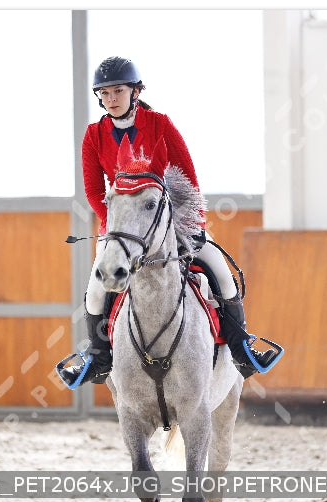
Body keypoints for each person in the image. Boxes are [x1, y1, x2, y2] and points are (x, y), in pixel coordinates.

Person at [57, 56, 278, 388]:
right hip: (121, 231)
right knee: (93, 294)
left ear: (135, 91)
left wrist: (188, 228)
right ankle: (99, 357)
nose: (111, 99)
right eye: (104, 93)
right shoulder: (93, 135)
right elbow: (92, 191)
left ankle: (241, 346)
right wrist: (116, 229)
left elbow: (187, 178)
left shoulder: (160, 124)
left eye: (118, 91)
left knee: (221, 272)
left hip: (169, 227)